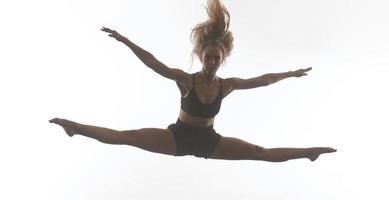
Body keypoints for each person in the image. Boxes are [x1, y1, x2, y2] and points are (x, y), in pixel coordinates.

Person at [50, 0, 336, 162]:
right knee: (130, 137)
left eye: (217, 58)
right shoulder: (185, 80)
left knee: (257, 152)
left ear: (221, 60)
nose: (212, 62)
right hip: (178, 136)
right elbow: (153, 63)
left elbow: (263, 80)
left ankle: (308, 152)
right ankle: (76, 128)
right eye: (208, 57)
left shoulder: (228, 84)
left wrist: (290, 74)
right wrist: (125, 41)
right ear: (202, 56)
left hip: (209, 141)